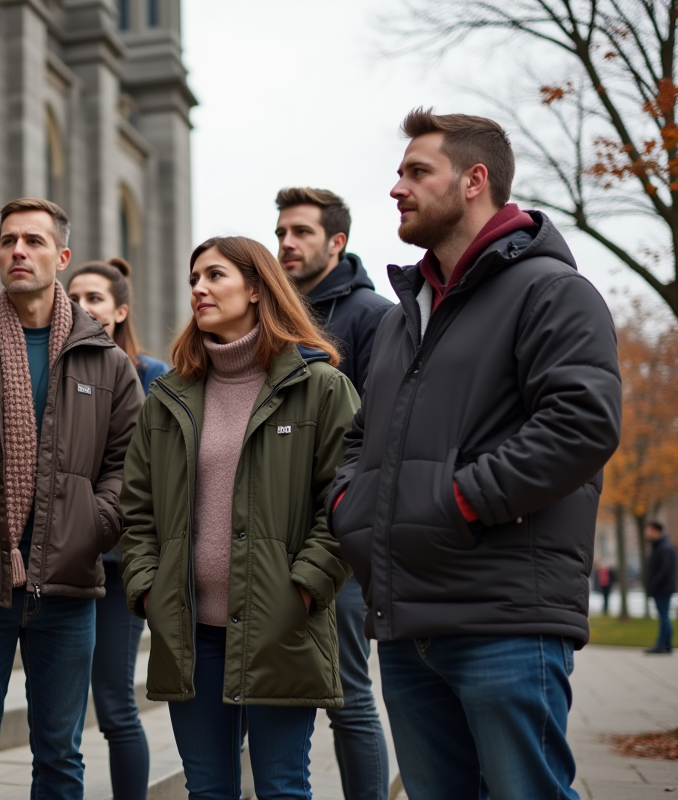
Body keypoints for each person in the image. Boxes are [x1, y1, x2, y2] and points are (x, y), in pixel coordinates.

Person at [328, 108, 622, 800]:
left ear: (473, 180)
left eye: (417, 171)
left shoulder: (553, 292)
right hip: (408, 624)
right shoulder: (404, 317)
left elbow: (581, 424)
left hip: (505, 619)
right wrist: (349, 506)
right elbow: (362, 438)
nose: (396, 188)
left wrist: (455, 503)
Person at [0, 198, 144, 799]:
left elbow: (131, 468)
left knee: (60, 756)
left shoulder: (109, 364)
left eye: (34, 241)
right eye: (9, 239)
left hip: (68, 585)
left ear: (62, 257)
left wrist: (92, 526)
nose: (18, 251)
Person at [119, 235, 359, 799]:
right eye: (193, 279)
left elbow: (348, 500)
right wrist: (150, 590)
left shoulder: (320, 387)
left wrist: (305, 588)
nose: (199, 289)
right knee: (207, 789)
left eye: (214, 275)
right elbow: (137, 509)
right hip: (191, 631)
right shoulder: (168, 397)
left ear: (256, 288)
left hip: (283, 625)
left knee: (281, 787)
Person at [276, 187, 392, 800]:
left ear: (337, 242)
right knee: (268, 692)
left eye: (301, 232)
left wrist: (344, 522)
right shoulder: (273, 317)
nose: (287, 243)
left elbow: (380, 432)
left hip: (337, 542)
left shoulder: (372, 316)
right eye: (281, 233)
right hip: (268, 539)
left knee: (346, 697)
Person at [66, 257, 165, 800]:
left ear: (120, 311)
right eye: (73, 297)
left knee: (113, 701)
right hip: (60, 561)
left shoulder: (152, 376)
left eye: (95, 298)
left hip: (119, 565)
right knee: (58, 708)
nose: (81, 307)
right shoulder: (54, 368)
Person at [644, 522, 676, 654]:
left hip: (663, 588)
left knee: (664, 616)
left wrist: (653, 584)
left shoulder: (664, 548)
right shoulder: (660, 546)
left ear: (655, 531)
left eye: (649, 531)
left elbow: (664, 570)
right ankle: (666, 644)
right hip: (662, 588)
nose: (647, 534)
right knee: (664, 616)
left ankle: (662, 644)